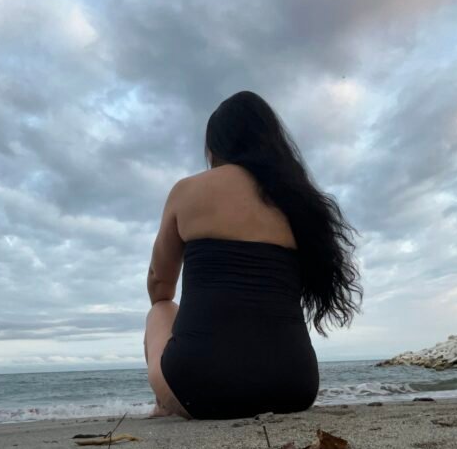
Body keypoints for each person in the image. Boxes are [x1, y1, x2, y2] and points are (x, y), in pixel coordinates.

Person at [142, 90, 362, 420]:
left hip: (201, 390)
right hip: (295, 386)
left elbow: (160, 287)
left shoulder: (187, 191)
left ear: (215, 147)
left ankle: (164, 404)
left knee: (161, 310)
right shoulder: (300, 203)